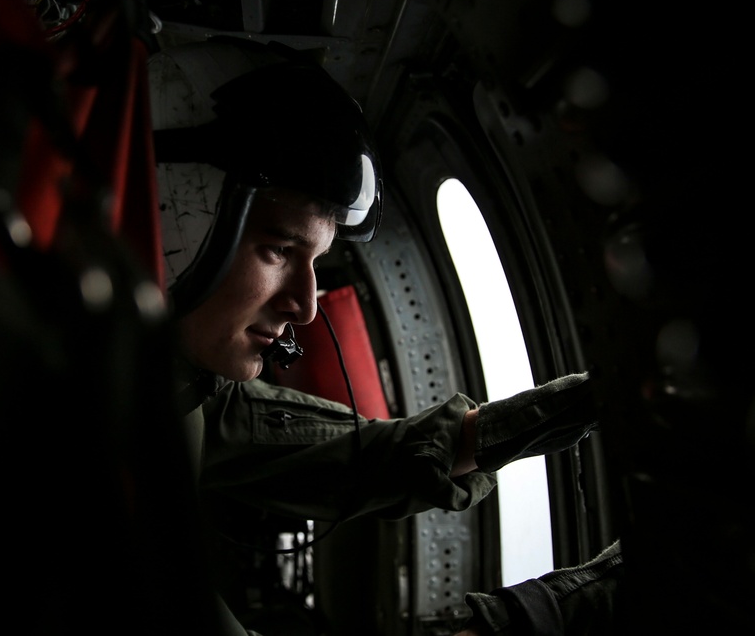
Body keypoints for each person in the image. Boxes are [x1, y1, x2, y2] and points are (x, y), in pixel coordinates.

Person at [149, 37, 599, 635]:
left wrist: (528, 421)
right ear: (171, 209)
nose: (306, 306)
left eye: (314, 262)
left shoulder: (170, 380)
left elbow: (319, 451)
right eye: (280, 249)